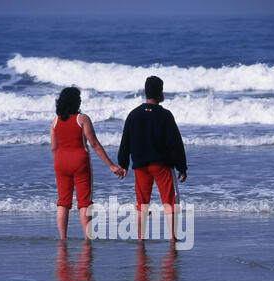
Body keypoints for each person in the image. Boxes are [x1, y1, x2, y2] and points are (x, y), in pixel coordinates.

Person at [118, 76, 187, 240]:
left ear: (145, 92)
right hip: (161, 165)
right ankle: (172, 236)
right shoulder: (165, 115)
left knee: (142, 203)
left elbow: (125, 141)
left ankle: (140, 238)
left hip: (140, 166)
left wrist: (123, 164)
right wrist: (181, 167)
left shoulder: (133, 114)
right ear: (160, 92)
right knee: (170, 201)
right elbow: (175, 142)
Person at [50, 87, 125, 240]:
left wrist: (57, 164)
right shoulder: (82, 119)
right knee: (84, 201)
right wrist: (111, 165)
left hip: (60, 162)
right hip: (79, 162)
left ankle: (63, 238)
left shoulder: (56, 120)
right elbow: (94, 143)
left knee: (63, 202)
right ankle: (87, 238)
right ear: (76, 101)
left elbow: (53, 147)